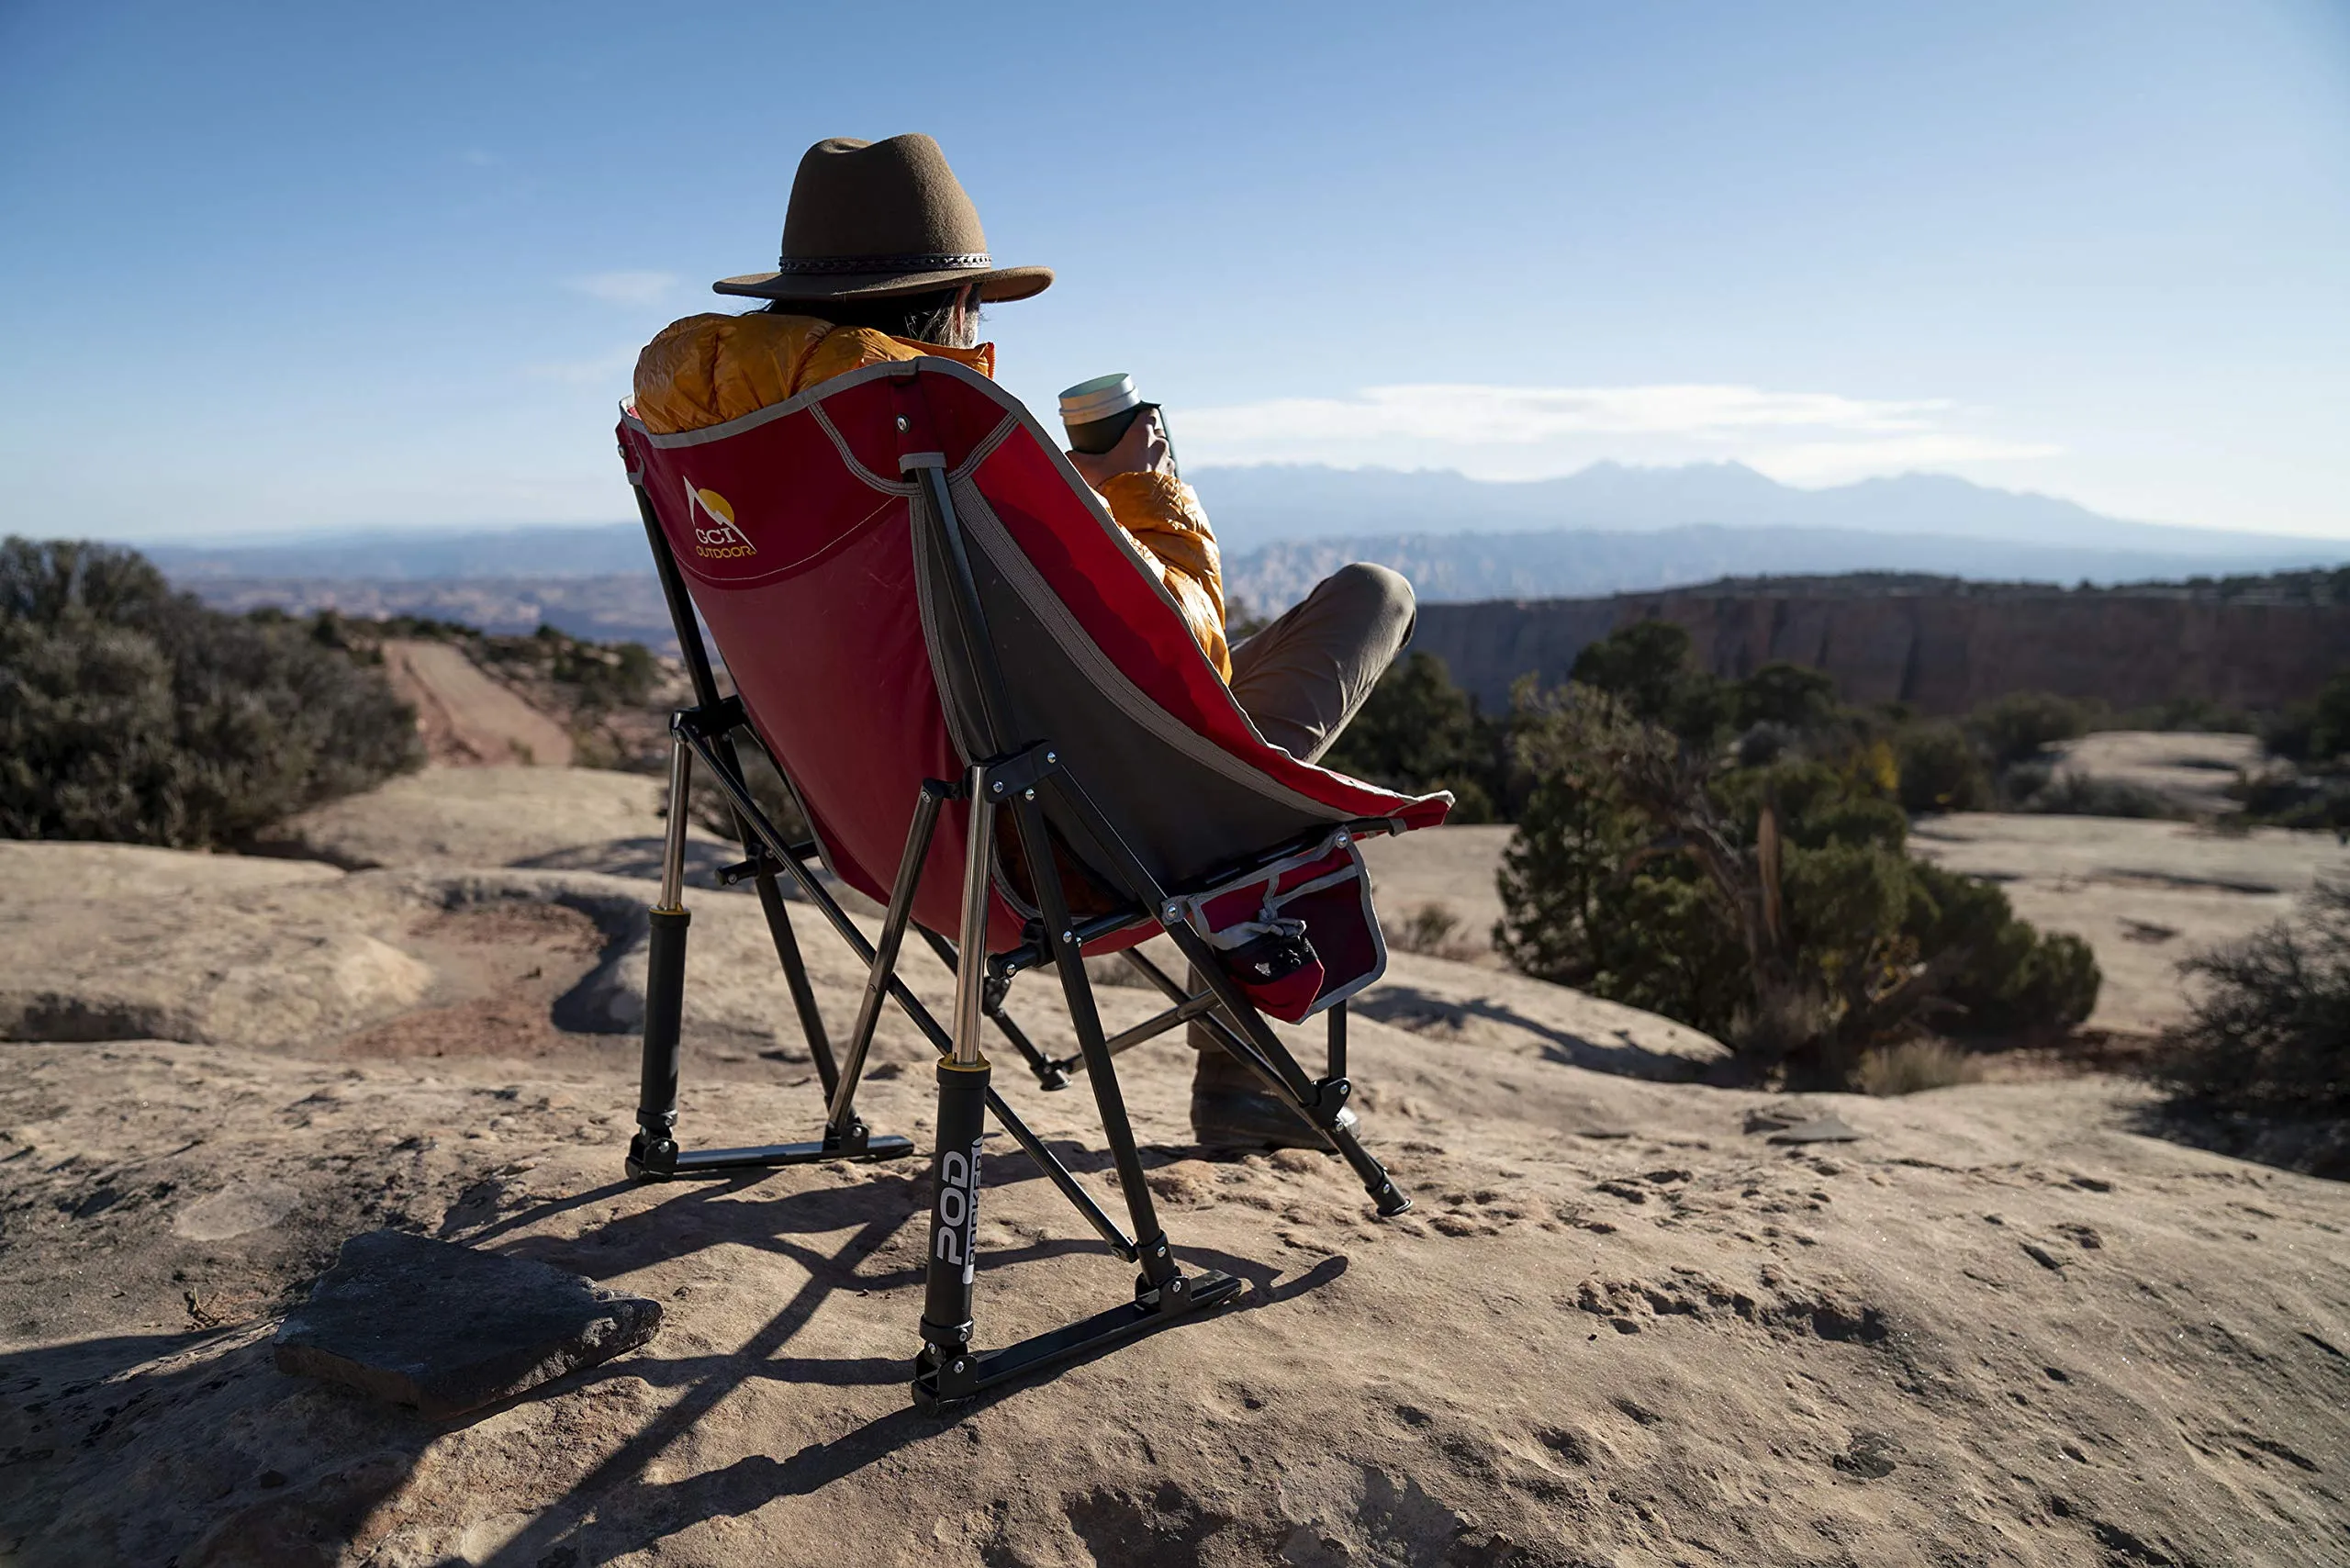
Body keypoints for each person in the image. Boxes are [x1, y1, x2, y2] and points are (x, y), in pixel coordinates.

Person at [632, 134, 1416, 1150]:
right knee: (1372, 594)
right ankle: (1241, 1070)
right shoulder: (933, 429)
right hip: (1055, 843)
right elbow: (1179, 654)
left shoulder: (706, 433)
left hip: (891, 843)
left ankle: (1239, 1068)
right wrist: (1139, 489)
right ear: (950, 306)